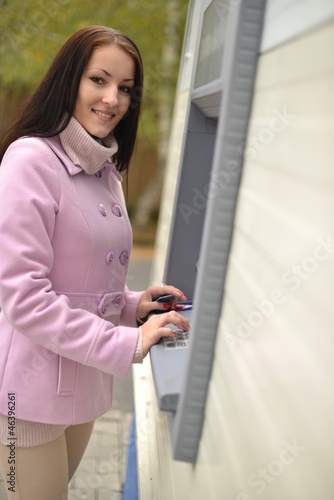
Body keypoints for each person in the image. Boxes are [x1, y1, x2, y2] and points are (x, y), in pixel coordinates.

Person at [0, 25, 189, 499]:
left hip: (81, 387)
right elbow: (24, 299)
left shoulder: (106, 171)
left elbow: (83, 282)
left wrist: (133, 307)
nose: (113, 99)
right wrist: (125, 342)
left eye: (125, 88)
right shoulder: (30, 160)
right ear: (69, 81)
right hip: (27, 395)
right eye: (99, 80)